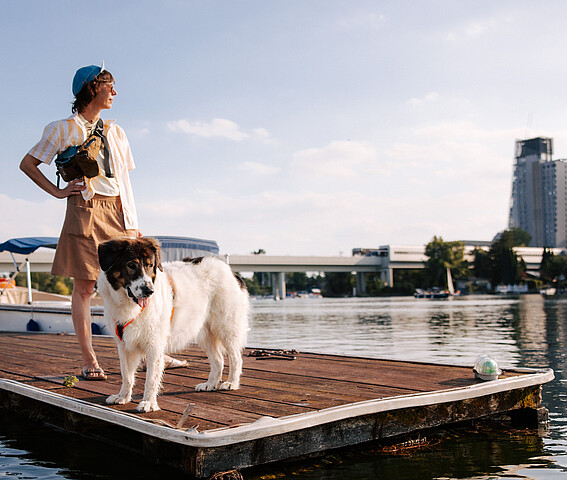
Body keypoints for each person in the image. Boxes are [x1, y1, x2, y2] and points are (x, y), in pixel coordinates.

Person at [20, 63, 186, 380]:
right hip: (84, 209)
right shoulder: (61, 128)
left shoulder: (116, 131)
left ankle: (155, 350)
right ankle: (89, 360)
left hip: (118, 212)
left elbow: (124, 180)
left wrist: (132, 223)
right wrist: (58, 191)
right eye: (111, 85)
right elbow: (27, 163)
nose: (115, 92)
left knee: (138, 286)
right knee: (84, 288)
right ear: (94, 86)